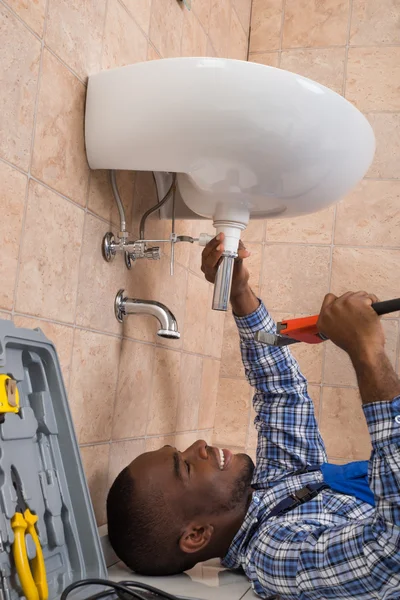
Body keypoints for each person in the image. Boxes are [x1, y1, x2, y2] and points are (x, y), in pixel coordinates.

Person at [107, 234, 400, 599]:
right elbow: (390, 555)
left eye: (180, 450)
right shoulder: (273, 554)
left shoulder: (271, 491)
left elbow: (280, 392)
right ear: (197, 535)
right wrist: (366, 353)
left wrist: (238, 292)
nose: (199, 445)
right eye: (183, 466)